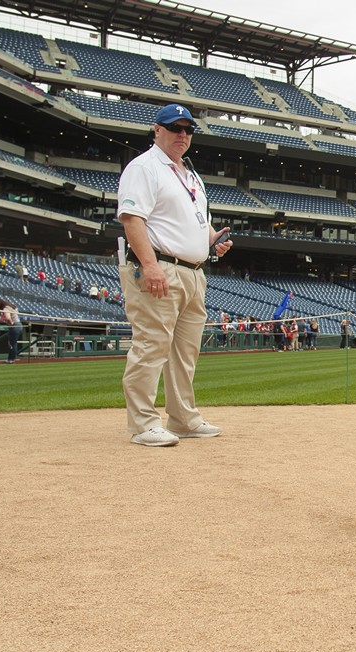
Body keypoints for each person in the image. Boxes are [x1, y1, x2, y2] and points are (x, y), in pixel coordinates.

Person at [117, 103, 233, 447]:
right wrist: (150, 265)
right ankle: (142, 424)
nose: (182, 135)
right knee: (152, 345)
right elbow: (132, 219)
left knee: (185, 352)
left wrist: (212, 240)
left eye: (188, 130)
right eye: (175, 128)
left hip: (194, 271)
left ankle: (183, 418)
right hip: (160, 267)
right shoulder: (145, 167)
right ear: (157, 130)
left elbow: (193, 220)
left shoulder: (189, 173)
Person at [0, 299, 23, 363]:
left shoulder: (6, 309)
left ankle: (11, 359)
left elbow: (8, 318)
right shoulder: (11, 307)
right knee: (12, 343)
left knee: (12, 344)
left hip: (15, 325)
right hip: (18, 325)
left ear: (0, 304)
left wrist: (11, 324)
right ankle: (10, 359)